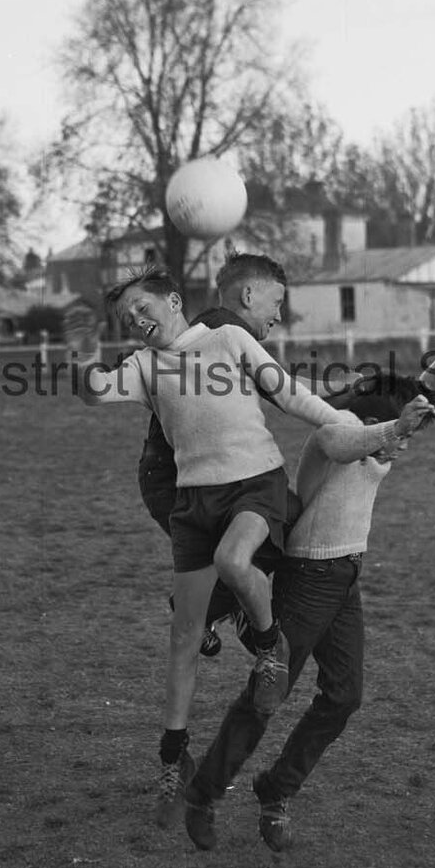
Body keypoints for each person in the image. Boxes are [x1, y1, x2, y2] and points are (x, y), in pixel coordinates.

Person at [68, 263, 401, 829]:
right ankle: (174, 760)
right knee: (183, 635)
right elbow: (96, 393)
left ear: (174, 301)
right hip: (193, 503)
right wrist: (80, 356)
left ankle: (270, 646)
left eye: (143, 310)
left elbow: (296, 401)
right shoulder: (145, 367)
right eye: (127, 320)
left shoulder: (228, 338)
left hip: (255, 485)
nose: (137, 322)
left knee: (234, 558)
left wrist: (372, 430)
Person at [182, 314, 435, 854]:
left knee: (344, 697)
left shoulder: (381, 425)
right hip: (307, 581)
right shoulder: (333, 433)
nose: (402, 449)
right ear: (373, 419)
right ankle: (203, 794)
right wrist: (396, 429)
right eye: (398, 434)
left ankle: (275, 790)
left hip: (345, 577)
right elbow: (354, 441)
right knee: (267, 695)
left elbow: (421, 396)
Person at [135, 250, 292, 660]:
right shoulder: (223, 327)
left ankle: (222, 609)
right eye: (276, 302)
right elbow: (284, 390)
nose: (279, 314)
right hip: (178, 479)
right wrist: (353, 387)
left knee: (255, 541)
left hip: (178, 476)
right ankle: (213, 611)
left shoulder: (214, 326)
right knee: (282, 530)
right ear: (248, 295)